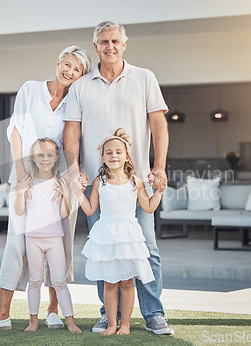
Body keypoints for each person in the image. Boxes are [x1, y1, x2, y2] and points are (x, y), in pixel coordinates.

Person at [63, 21, 174, 335]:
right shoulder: (81, 86)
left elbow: (159, 126)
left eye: (115, 41)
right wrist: (73, 169)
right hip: (98, 183)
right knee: (104, 250)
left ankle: (153, 314)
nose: (109, 47)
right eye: (103, 42)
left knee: (147, 248)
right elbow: (71, 131)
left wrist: (160, 166)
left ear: (124, 44)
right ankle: (108, 316)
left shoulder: (144, 78)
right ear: (96, 46)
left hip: (135, 182)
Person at [0, 46, 92, 332]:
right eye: (67, 64)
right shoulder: (30, 89)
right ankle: (2, 315)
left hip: (60, 181)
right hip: (26, 177)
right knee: (16, 242)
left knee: (60, 243)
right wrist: (22, 170)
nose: (69, 72)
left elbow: (76, 140)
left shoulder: (77, 102)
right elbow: (16, 128)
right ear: (58, 63)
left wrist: (74, 177)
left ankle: (53, 311)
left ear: (82, 76)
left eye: (77, 69)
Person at [79, 129, 164, 335]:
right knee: (109, 282)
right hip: (107, 235)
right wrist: (78, 192)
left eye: (118, 152)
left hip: (128, 236)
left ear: (126, 156)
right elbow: (90, 209)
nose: (114, 156)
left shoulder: (136, 181)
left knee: (126, 282)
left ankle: (125, 325)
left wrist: (160, 190)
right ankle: (111, 324)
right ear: (103, 157)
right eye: (109, 153)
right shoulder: (100, 182)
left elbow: (149, 207)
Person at [14, 138, 81, 333]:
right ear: (33, 159)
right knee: (35, 281)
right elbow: (19, 210)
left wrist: (66, 195)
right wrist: (20, 192)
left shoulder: (60, 182)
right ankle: (33, 322)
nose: (45, 159)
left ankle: (70, 322)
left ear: (56, 157)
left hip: (54, 240)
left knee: (59, 281)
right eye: (40, 155)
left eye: (49, 155)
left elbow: (63, 215)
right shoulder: (26, 182)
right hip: (33, 239)